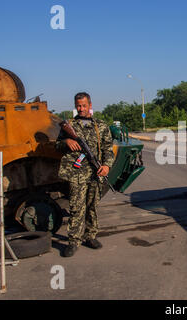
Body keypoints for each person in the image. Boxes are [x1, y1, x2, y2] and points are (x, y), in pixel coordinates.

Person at [56, 92, 114, 257]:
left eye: (83, 105)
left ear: (90, 105)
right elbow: (57, 146)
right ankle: (73, 241)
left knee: (92, 207)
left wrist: (106, 166)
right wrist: (66, 142)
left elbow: (108, 149)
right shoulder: (70, 126)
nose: (80, 109)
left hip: (95, 174)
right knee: (76, 207)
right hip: (77, 174)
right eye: (78, 106)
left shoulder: (100, 125)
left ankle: (90, 236)